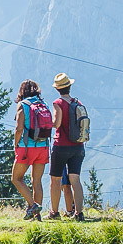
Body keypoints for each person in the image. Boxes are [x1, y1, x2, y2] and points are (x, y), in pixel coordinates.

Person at [47, 71, 88, 221]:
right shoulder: (78, 103)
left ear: (57, 89)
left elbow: (57, 123)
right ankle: (79, 213)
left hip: (61, 146)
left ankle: (54, 212)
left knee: (55, 179)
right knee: (75, 179)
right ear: (69, 87)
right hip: (78, 146)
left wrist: (47, 122)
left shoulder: (58, 103)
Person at [12, 80, 53, 220]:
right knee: (37, 181)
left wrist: (15, 144)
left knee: (16, 178)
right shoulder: (44, 104)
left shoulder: (23, 105)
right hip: (43, 146)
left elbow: (19, 128)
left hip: (26, 148)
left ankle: (33, 205)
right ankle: (37, 216)